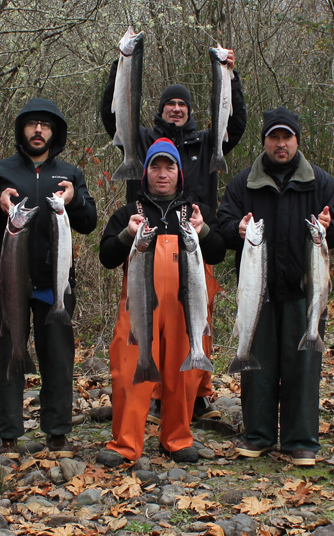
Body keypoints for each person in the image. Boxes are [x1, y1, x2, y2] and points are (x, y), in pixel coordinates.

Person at [100, 50, 248, 423]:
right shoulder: (141, 139)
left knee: (199, 320)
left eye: (183, 104)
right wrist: (120, 68)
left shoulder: (206, 142)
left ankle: (195, 393)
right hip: (148, 236)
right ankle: (148, 392)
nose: (177, 109)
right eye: (171, 104)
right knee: (142, 324)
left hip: (194, 236)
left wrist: (231, 77)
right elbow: (112, 117)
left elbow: (238, 124)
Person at [216, 108, 334, 467]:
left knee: (303, 366)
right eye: (273, 137)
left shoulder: (321, 183)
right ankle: (257, 435)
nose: (280, 144)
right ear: (264, 143)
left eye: (287, 137)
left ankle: (301, 439)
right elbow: (223, 221)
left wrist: (329, 227)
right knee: (257, 368)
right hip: (257, 294)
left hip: (304, 292)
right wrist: (236, 231)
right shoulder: (243, 183)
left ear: (297, 141)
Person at [0, 98, 97, 459]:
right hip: (6, 283)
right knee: (6, 354)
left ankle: (57, 432)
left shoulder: (70, 173)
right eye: (31, 124)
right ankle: (7, 435)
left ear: (55, 131)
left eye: (45, 124)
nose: (38, 130)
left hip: (53, 285)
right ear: (21, 130)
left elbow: (89, 222)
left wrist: (73, 201)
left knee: (58, 356)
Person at [95, 139, 227, 467]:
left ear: (179, 173)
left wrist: (205, 230)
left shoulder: (194, 213)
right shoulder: (130, 213)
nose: (162, 174)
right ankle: (125, 443)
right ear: (146, 173)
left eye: (169, 167)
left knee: (183, 372)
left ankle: (177, 438)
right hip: (140, 309)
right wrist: (127, 235)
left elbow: (219, 252)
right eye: (156, 166)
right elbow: (107, 256)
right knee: (129, 368)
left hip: (186, 308)